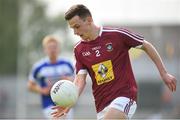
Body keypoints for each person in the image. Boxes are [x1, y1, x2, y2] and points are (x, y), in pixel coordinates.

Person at [51, 4, 177, 119]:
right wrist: (70, 101)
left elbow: (146, 46)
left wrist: (163, 73)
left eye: (77, 27)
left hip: (125, 97)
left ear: (89, 20)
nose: (75, 32)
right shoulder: (79, 49)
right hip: (101, 105)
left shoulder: (116, 35)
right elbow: (80, 80)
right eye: (72, 28)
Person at [28, 35, 74, 119]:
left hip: (66, 102)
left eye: (54, 47)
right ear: (45, 50)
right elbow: (30, 85)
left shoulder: (67, 64)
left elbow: (78, 79)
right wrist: (42, 90)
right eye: (49, 47)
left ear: (59, 49)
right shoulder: (39, 66)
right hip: (48, 103)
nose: (52, 50)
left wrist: (68, 80)